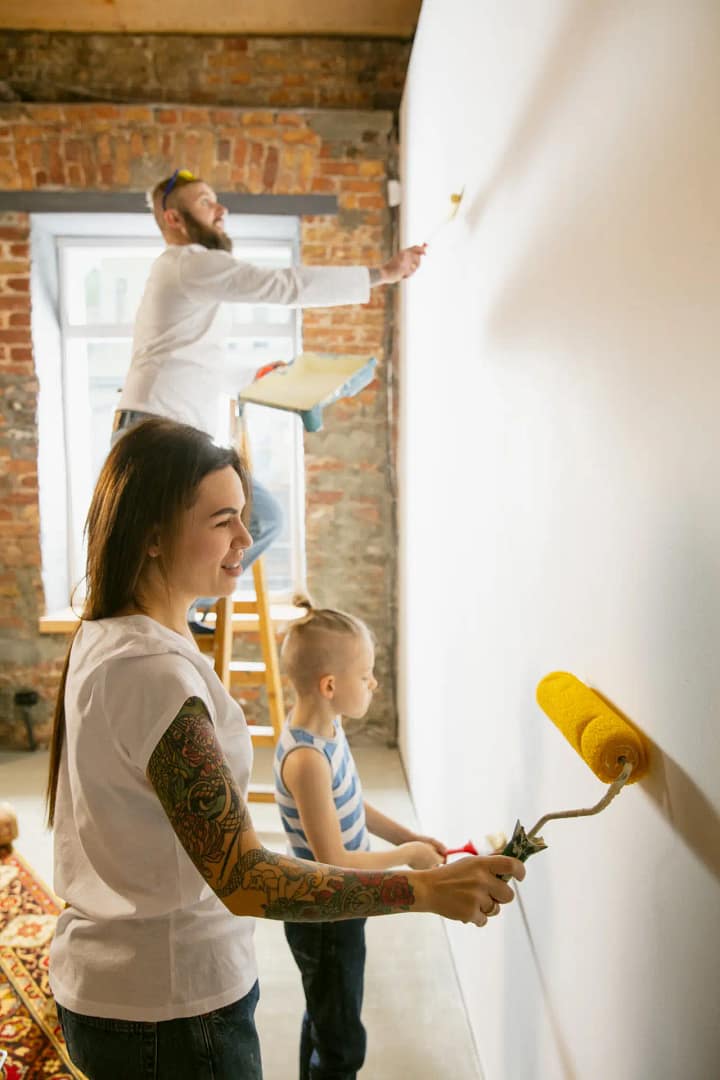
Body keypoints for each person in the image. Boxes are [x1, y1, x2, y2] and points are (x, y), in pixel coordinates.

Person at [46, 418, 525, 1080]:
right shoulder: (150, 670)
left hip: (127, 990)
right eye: (223, 521)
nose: (246, 538)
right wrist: (421, 889)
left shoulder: (112, 631)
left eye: (243, 516)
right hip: (167, 1011)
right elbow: (245, 879)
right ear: (152, 534)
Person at [113, 168, 427, 628]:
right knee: (234, 524)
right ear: (174, 219)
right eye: (205, 202)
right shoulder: (188, 262)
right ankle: (166, 610)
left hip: (174, 429)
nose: (221, 210)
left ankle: (184, 605)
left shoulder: (187, 278)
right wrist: (382, 273)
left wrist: (256, 374)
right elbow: (283, 286)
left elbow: (198, 367)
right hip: (158, 429)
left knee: (260, 519)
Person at [274, 598, 447, 1079]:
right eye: (366, 673)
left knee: (326, 1014)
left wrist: (407, 834)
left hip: (341, 906)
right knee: (341, 1042)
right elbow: (332, 857)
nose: (373, 682)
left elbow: (351, 806)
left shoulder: (327, 727)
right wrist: (406, 856)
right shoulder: (307, 759)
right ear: (330, 686)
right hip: (325, 914)